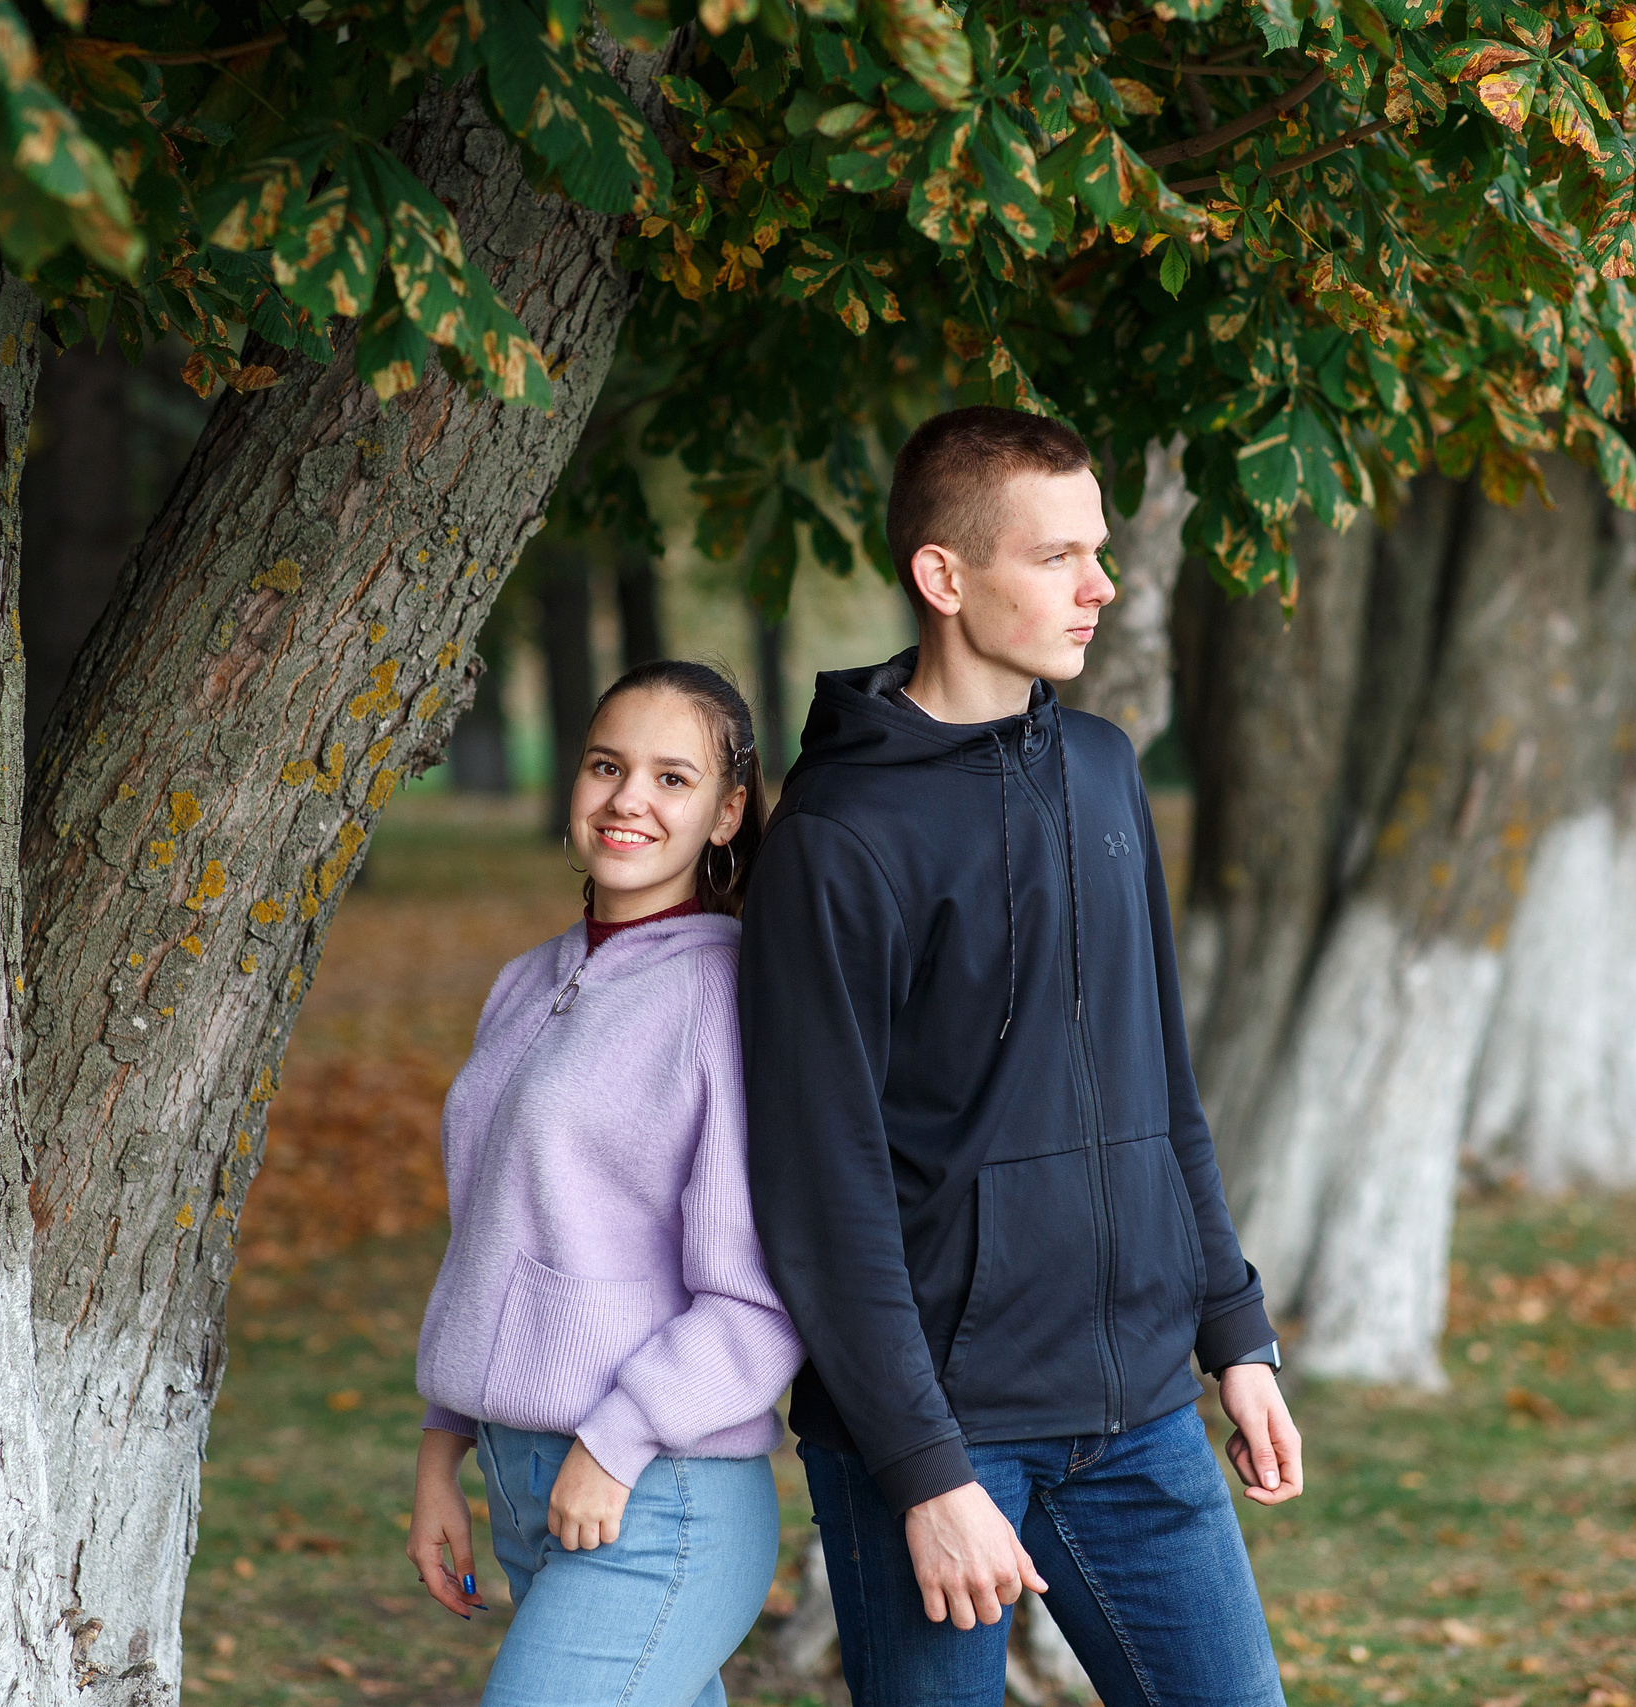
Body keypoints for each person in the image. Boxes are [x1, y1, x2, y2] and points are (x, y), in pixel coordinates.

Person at [741, 407, 1303, 1707]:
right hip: (943, 1430)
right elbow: (823, 1194)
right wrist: (927, 1469)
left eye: (1095, 549)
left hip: (1141, 1409)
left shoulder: (1104, 770)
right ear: (945, 576)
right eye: (1058, 556)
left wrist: (1234, 1328)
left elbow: (1162, 1084)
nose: (1099, 584)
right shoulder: (838, 837)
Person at [405, 659, 802, 1707]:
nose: (628, 797)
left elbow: (760, 1295)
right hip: (519, 1477)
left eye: (672, 779)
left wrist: (615, 1445)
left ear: (726, 814)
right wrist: (443, 1454)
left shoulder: (728, 995)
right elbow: (488, 1235)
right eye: (605, 765)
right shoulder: (528, 980)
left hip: (656, 1496)